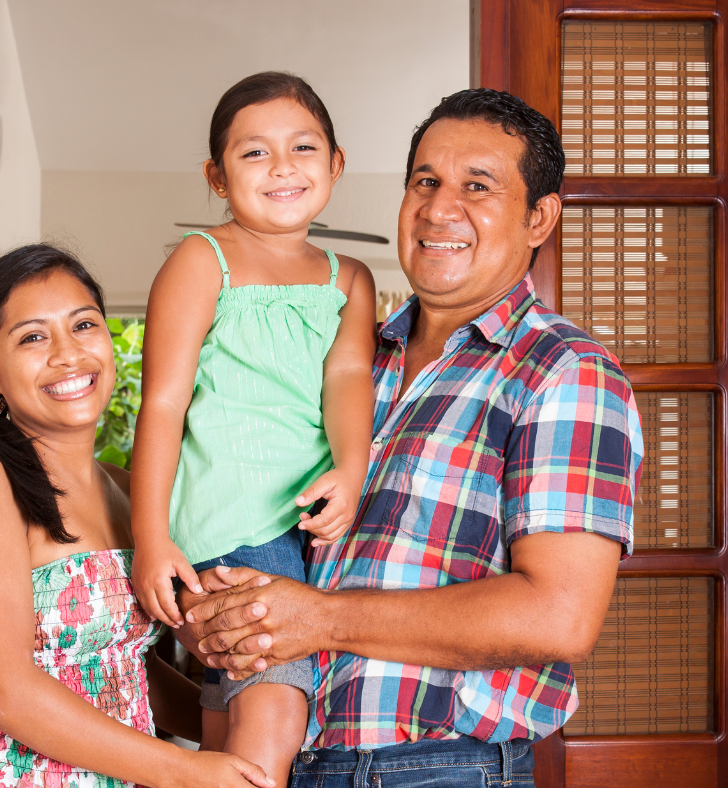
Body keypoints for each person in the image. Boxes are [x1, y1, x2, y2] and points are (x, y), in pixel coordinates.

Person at [181, 88, 644, 787]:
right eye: (425, 181)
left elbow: (558, 616)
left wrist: (319, 620)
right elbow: (251, 508)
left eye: (477, 186)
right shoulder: (349, 359)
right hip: (293, 755)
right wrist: (218, 611)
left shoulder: (564, 371)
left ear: (539, 217)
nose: (439, 208)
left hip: (436, 769)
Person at [0, 244, 274, 788]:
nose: (68, 354)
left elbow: (119, 675)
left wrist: (234, 736)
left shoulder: (127, 489)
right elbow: (2, 691)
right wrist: (184, 770)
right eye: (33, 337)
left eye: (83, 325)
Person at [130, 72, 377, 785]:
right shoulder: (201, 259)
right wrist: (152, 538)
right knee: (276, 716)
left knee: (227, 710)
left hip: (304, 525)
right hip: (237, 518)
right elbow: (163, 406)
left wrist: (353, 470)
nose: (282, 167)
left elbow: (348, 381)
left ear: (335, 163)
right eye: (253, 153)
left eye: (302, 147)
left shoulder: (348, 278)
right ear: (216, 175)